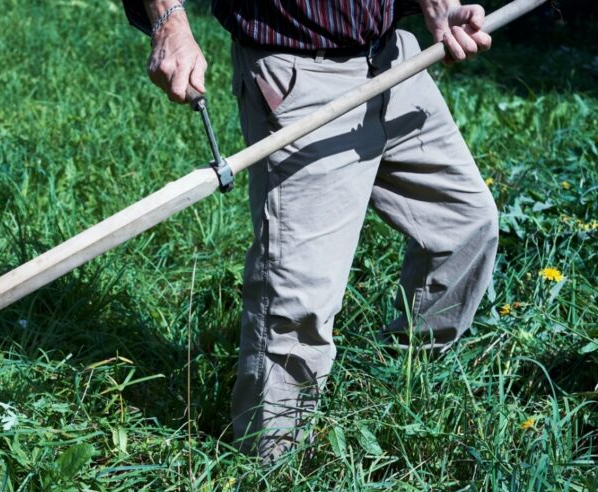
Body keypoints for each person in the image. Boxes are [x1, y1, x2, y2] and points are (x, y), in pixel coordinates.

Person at [123, 1, 498, 462]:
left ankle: (400, 385)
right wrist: (169, 22)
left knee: (465, 224)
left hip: (395, 57)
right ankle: (267, 479)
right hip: (301, 74)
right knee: (298, 301)